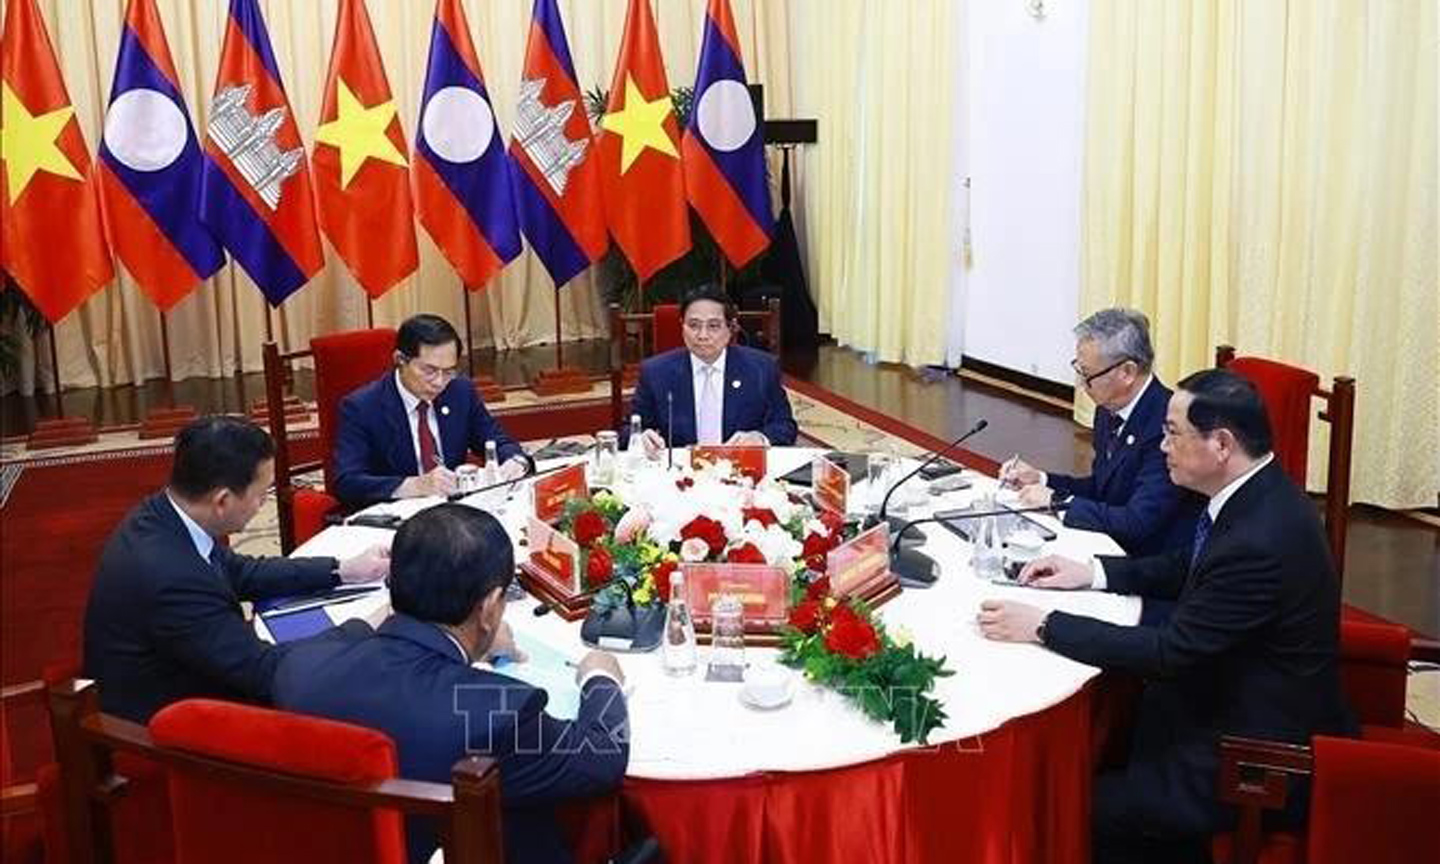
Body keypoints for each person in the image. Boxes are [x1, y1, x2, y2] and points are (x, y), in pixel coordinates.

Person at [977, 369, 1355, 863]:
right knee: (1090, 737)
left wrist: (1045, 625)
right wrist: (1092, 573)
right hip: (1224, 691)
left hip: (1250, 753)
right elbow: (1187, 565)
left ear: (1221, 444)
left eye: (1173, 433)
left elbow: (1169, 652)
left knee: (1068, 805)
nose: (1161, 447)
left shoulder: (1259, 539)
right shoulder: (1252, 491)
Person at [273, 504, 628, 864]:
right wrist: (601, 677)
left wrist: (474, 644)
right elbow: (603, 759)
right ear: (490, 607)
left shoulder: (300, 666)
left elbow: (351, 640)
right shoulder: (499, 712)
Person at [82, 416, 389, 724]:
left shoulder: (165, 513)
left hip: (202, 671)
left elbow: (240, 571)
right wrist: (365, 627)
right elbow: (265, 672)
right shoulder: (171, 577)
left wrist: (342, 570)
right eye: (261, 494)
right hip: (171, 728)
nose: (261, 505)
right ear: (223, 500)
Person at [1001, 308, 1202, 557]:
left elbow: (1138, 522)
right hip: (1110, 539)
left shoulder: (1167, 426)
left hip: (1149, 561)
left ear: (1127, 372)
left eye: (1087, 375)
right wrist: (1041, 479)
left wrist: (1056, 502)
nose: (1081, 385)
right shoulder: (1109, 407)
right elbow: (1103, 488)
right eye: (1079, 371)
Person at [332, 314, 530, 508]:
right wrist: (415, 485)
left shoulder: (460, 390)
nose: (439, 382)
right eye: (429, 371)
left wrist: (516, 462)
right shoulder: (362, 407)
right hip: (398, 516)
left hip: (455, 514)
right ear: (400, 359)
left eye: (449, 371)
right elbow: (347, 482)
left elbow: (497, 440)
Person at [624, 284, 798, 455]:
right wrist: (640, 437)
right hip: (680, 473)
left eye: (713, 326)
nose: (702, 335)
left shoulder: (761, 368)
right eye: (693, 325)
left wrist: (760, 438)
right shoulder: (655, 372)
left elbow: (785, 426)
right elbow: (627, 430)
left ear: (731, 328)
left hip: (741, 470)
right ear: (682, 325)